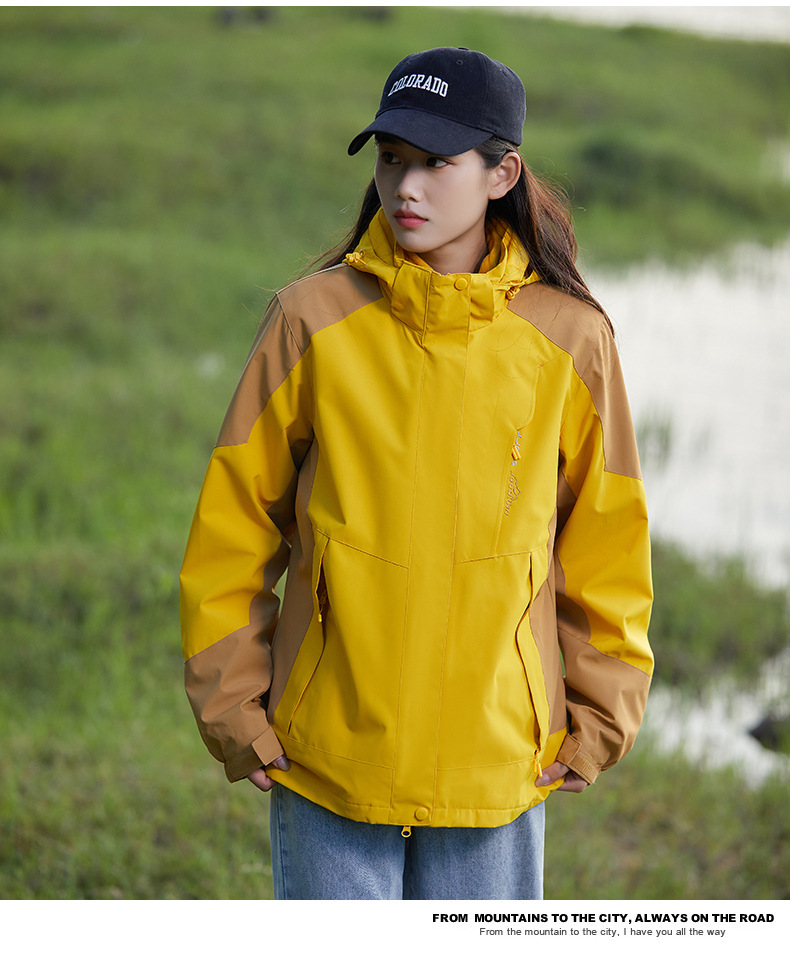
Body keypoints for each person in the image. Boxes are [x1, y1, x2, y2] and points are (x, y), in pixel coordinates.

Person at [179, 46, 653, 900]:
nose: (407, 186)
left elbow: (607, 542)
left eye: (437, 163)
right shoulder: (309, 320)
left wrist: (600, 719)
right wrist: (233, 709)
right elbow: (233, 526)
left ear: (502, 173)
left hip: (495, 766)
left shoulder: (571, 339)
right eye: (393, 158)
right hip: (327, 760)